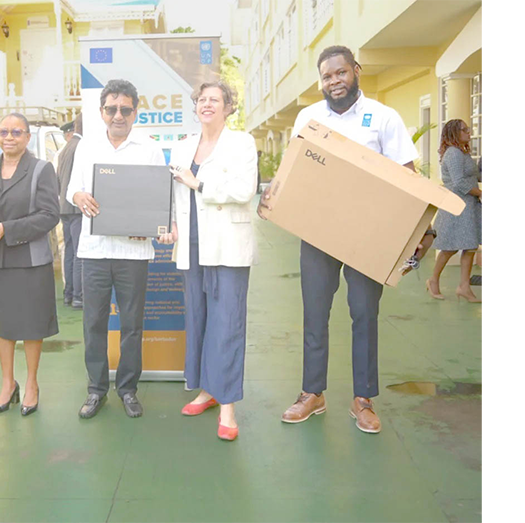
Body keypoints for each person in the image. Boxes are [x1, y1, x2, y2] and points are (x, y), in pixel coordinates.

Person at [258, 45, 424, 434]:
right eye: (327, 76)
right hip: (318, 230)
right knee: (315, 314)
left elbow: (408, 176)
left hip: (367, 235)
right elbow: (294, 169)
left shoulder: (383, 118)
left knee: (364, 314)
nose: (334, 81)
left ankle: (363, 399)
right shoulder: (309, 117)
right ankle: (312, 393)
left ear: (356, 72)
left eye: (340, 73)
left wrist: (412, 234)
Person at [158, 81, 257, 441]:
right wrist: (170, 223)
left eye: (215, 99)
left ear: (228, 107)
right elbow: (173, 193)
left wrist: (198, 183)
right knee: (198, 318)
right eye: (202, 100)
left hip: (228, 244)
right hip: (192, 244)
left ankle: (228, 406)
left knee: (227, 321)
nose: (207, 104)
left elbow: (244, 188)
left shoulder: (242, 142)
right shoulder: (183, 145)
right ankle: (207, 390)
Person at [66, 79, 165, 419]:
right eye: (112, 109)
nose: (118, 115)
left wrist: (148, 223)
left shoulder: (149, 148)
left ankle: (128, 389)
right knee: (93, 323)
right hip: (94, 251)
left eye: (125, 109)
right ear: (102, 112)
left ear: (135, 112)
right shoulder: (87, 147)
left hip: (133, 253)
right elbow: (72, 191)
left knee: (132, 325)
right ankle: (96, 390)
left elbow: (157, 197)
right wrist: (79, 196)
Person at [0, 113, 60, 416]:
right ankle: (7, 383)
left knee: (31, 323)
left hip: (30, 258)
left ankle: (32, 383)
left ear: (26, 137)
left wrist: (8, 229)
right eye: (3, 131)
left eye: (16, 132)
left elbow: (50, 215)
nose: (8, 137)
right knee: (2, 323)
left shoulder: (41, 169)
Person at [425, 120, 482, 303]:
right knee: (450, 248)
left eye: (468, 129)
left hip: (469, 205)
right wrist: (480, 192)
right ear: (453, 133)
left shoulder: (462, 152)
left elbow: (471, 175)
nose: (469, 132)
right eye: (464, 130)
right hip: (457, 206)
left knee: (470, 245)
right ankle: (433, 280)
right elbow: (458, 182)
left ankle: (464, 287)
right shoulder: (453, 154)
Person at [56, 114, 84, 308]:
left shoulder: (66, 148)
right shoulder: (81, 147)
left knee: (70, 250)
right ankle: (79, 296)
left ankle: (70, 293)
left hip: (65, 207)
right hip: (77, 208)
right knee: (80, 252)